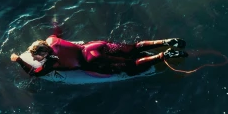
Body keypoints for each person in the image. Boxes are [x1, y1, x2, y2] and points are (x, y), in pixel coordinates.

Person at [10, 29, 188, 77]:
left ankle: (163, 55)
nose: (34, 58)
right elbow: (57, 33)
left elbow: (35, 73)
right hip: (94, 46)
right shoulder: (51, 40)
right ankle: (165, 42)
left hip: (93, 60)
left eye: (36, 56)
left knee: (129, 66)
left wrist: (18, 60)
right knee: (132, 48)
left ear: (44, 54)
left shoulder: (50, 63)